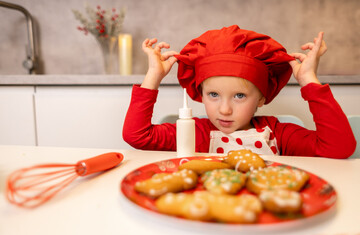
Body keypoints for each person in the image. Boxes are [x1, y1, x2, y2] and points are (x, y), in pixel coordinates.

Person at [123, 25, 356, 159]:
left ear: (262, 97)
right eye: (213, 95)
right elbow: (136, 136)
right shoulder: (195, 134)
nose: (224, 109)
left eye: (240, 96)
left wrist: (309, 81)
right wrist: (153, 77)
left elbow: (340, 148)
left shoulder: (277, 134)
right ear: (199, 93)